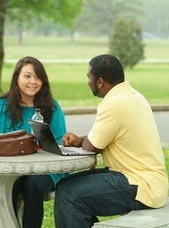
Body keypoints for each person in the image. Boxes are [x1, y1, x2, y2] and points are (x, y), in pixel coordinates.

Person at [54, 54, 168, 228]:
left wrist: (84, 141)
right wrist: (80, 140)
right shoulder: (132, 95)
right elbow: (106, 136)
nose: (87, 82)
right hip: (145, 180)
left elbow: (93, 146)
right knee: (65, 185)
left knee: (70, 194)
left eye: (88, 77)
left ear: (100, 82)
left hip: (141, 185)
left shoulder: (113, 103)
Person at [0, 56, 67, 228]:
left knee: (34, 185)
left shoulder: (52, 107)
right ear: (16, 79)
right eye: (27, 76)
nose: (33, 82)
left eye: (38, 77)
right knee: (10, 185)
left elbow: (59, 142)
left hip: (45, 168)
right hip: (9, 168)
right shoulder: (1, 107)